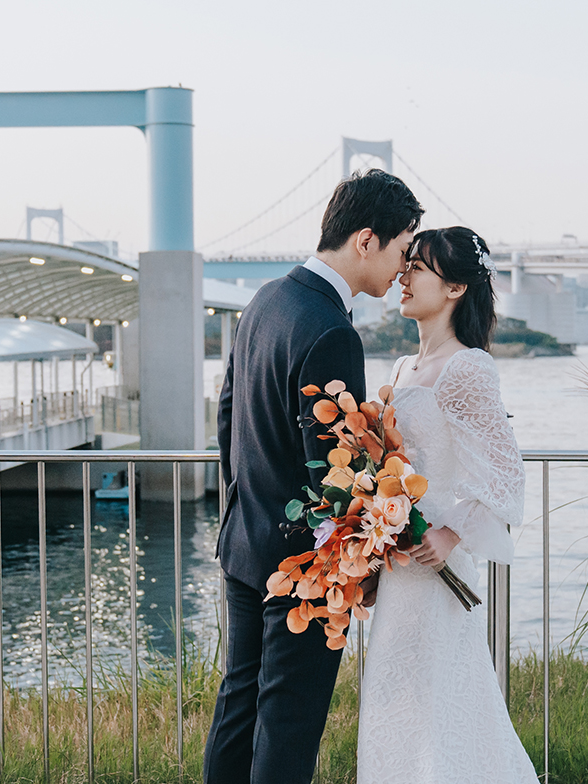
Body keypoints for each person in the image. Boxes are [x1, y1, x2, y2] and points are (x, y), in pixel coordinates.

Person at [205, 169, 423, 784]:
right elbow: (337, 475)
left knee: (238, 707)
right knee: (289, 724)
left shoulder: (267, 299)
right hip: (305, 569)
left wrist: (246, 505)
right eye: (403, 249)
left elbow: (228, 420)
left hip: (243, 543)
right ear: (365, 240)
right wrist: (359, 562)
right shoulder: (331, 330)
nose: (402, 269)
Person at [357, 226, 536, 783]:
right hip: (397, 559)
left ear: (456, 287)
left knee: (443, 699)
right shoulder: (402, 369)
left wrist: (450, 534)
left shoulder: (469, 368)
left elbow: (506, 475)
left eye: (418, 269)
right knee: (396, 698)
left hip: (435, 561)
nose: (403, 277)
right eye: (404, 264)